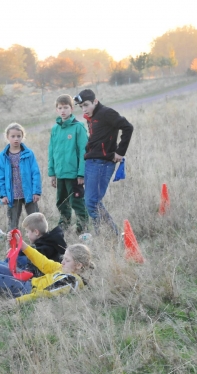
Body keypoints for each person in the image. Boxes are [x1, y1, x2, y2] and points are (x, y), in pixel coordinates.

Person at [74, 89, 134, 235]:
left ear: (95, 101)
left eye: (86, 105)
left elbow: (128, 127)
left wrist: (120, 151)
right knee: (92, 202)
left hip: (102, 163)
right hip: (91, 162)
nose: (84, 109)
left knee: (92, 202)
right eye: (81, 106)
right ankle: (104, 235)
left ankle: (111, 236)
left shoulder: (107, 113)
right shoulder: (92, 117)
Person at [48, 94, 89, 233]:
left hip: (74, 175)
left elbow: (84, 151)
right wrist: (52, 173)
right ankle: (63, 226)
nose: (63, 111)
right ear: (56, 110)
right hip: (60, 174)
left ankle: (82, 228)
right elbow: (52, 152)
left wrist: (81, 173)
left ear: (71, 108)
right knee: (61, 202)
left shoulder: (78, 127)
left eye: (66, 107)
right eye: (60, 108)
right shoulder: (55, 129)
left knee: (76, 202)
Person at [0, 123, 42, 231]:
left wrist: (36, 192)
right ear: (7, 137)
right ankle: (13, 245)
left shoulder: (29, 154)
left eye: (18, 136)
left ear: (22, 136)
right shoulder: (2, 156)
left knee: (36, 220)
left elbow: (35, 173)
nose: (16, 139)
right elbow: (0, 177)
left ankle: (40, 245)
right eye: (13, 136)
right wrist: (3, 195)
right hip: (12, 195)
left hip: (29, 194)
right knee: (13, 223)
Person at [13, 212, 67, 277]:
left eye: (27, 231)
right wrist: (16, 250)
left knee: (15, 259)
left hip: (36, 278)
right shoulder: (48, 241)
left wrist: (15, 254)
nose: (26, 235)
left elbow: (33, 265)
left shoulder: (46, 248)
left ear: (36, 232)